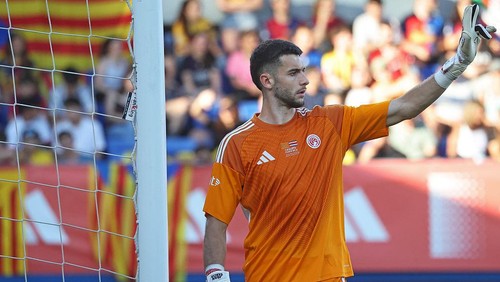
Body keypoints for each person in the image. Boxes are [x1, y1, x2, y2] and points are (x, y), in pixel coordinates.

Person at [202, 4, 495, 282]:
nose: (305, 80)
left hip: (328, 275)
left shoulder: (329, 122)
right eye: (293, 73)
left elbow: (403, 107)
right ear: (266, 81)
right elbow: (217, 221)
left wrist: (456, 65)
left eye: (304, 70)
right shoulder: (237, 144)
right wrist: (216, 275)